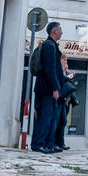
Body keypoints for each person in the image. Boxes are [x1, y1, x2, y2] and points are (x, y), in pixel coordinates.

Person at [31, 21, 64, 154]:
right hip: (46, 90)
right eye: (60, 30)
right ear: (54, 32)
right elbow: (50, 69)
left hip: (47, 88)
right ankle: (38, 143)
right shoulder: (49, 46)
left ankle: (48, 143)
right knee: (45, 117)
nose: (62, 32)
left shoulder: (51, 45)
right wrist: (55, 88)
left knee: (51, 117)